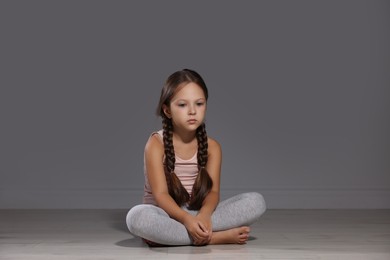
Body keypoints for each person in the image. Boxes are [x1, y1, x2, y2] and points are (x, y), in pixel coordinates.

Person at [126, 69, 266, 246]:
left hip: (197, 212)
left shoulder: (213, 147)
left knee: (256, 202)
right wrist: (186, 220)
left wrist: (204, 216)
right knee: (136, 218)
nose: (192, 111)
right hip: (164, 214)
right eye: (182, 105)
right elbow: (160, 195)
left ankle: (185, 234)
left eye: (199, 104)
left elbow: (213, 193)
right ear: (167, 110)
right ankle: (213, 237)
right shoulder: (156, 143)